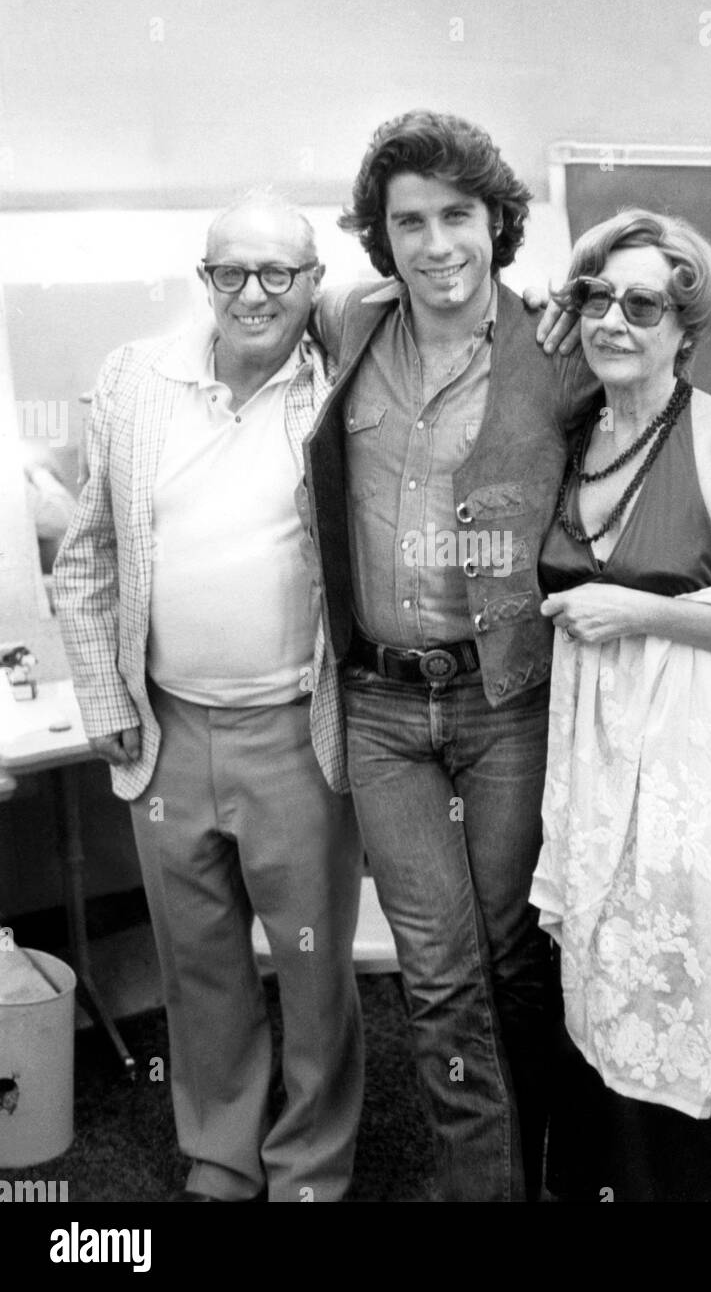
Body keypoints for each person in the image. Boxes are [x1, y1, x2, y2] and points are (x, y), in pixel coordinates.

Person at [301, 111, 711, 1201]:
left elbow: (679, 417)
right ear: (379, 236)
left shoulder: (552, 350)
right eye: (409, 221)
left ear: (498, 224)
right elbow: (255, 312)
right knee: (437, 974)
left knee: (518, 960)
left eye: (459, 216)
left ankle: (546, 1167)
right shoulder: (349, 323)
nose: (436, 243)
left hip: (509, 701)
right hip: (382, 705)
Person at [53, 192, 364, 1203]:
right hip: (169, 727)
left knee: (313, 969)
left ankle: (310, 1163)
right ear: (205, 279)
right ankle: (223, 1153)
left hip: (296, 733)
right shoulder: (137, 378)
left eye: (280, 272)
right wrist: (102, 687)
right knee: (200, 963)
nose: (253, 293)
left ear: (316, 283)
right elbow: (87, 549)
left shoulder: (342, 388)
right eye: (230, 271)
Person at [531, 208, 711, 1202]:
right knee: (598, 979)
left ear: (687, 327)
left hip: (697, 764)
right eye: (597, 297)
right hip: (591, 763)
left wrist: (637, 610)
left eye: (643, 302)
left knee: (682, 980)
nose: (615, 317)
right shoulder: (575, 424)